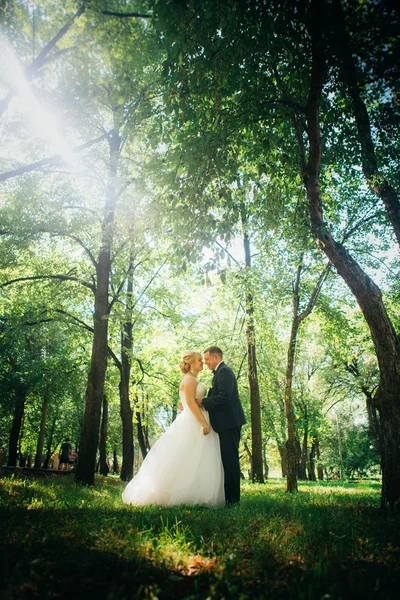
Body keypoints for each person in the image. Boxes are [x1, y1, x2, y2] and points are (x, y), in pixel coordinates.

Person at [122, 351, 225, 507]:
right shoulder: (190, 379)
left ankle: (197, 493)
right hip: (194, 421)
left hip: (194, 418)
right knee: (190, 457)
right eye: (199, 360)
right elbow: (190, 403)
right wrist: (204, 423)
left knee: (196, 458)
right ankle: (184, 495)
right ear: (190, 364)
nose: (202, 362)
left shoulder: (192, 379)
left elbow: (189, 402)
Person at [196, 346, 246, 505]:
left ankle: (233, 501)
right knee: (227, 460)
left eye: (207, 359)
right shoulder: (220, 372)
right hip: (226, 423)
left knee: (230, 461)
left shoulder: (224, 372)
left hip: (230, 423)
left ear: (216, 357)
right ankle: (229, 498)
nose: (206, 363)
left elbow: (224, 396)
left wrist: (203, 402)